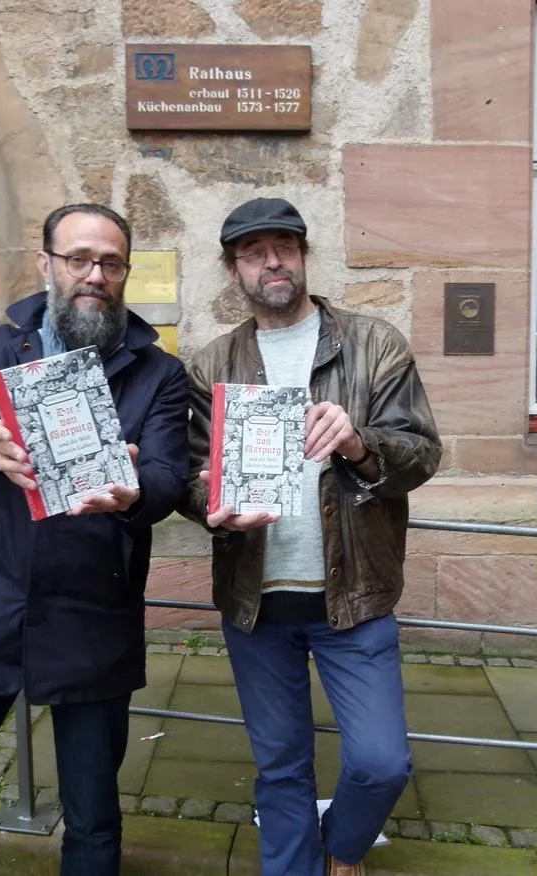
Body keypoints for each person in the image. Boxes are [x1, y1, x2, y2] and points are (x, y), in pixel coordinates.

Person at [0, 203, 190, 876]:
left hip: (93, 603)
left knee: (92, 823)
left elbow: (170, 470)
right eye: (79, 258)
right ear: (47, 264)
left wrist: (138, 490)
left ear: (125, 274)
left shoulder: (159, 372)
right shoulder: (2, 347)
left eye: (111, 262)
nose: (95, 274)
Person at [180, 198, 442, 876]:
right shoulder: (212, 364)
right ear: (233, 268)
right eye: (253, 251)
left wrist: (360, 443)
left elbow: (421, 452)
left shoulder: (373, 343)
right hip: (256, 602)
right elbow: (186, 472)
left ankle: (344, 848)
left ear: (302, 255)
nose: (272, 261)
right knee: (281, 768)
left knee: (382, 762)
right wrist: (210, 504)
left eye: (284, 246)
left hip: (352, 598)